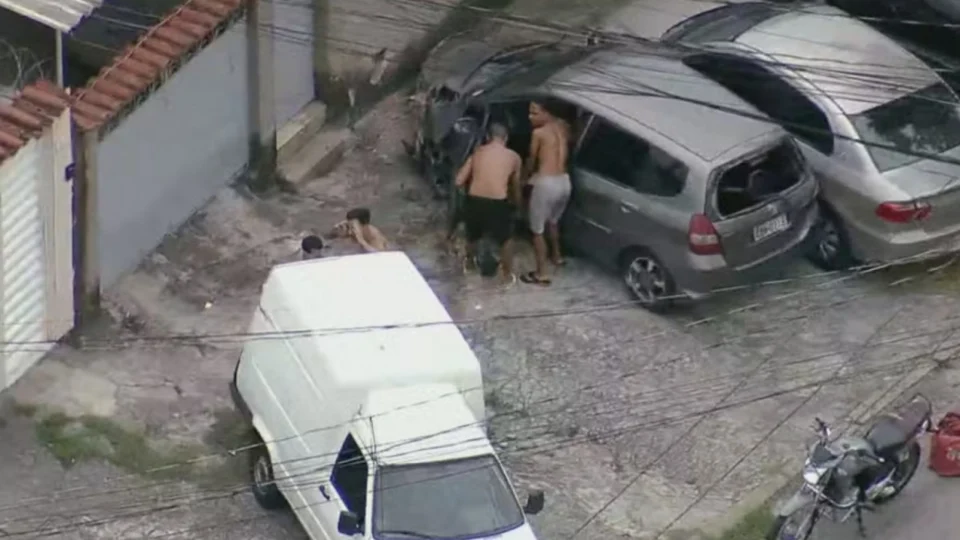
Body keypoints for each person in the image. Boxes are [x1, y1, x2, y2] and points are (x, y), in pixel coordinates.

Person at [455, 122, 522, 284]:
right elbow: (516, 186)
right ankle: (506, 275)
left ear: (488, 137)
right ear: (506, 138)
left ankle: (469, 264)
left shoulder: (477, 152)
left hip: (474, 199)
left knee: (472, 235)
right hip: (498, 202)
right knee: (506, 238)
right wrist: (518, 206)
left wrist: (468, 195)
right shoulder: (513, 157)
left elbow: (458, 181)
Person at [521, 100, 572, 286]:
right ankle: (557, 256)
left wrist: (524, 179)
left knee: (537, 230)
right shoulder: (564, 127)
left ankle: (541, 273)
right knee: (553, 221)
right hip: (564, 181)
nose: (530, 117)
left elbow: (531, 159)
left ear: (546, 113)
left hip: (546, 183)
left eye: (534, 113)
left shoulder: (538, 133)